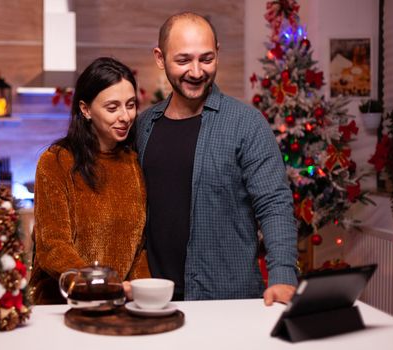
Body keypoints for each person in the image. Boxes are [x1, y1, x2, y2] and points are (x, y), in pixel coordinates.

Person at [136, 12, 297, 305]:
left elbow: (274, 204)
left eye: (206, 59)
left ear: (218, 53)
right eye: (183, 60)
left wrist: (283, 275)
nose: (196, 72)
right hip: (155, 300)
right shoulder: (143, 126)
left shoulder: (247, 124)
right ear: (160, 58)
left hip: (227, 301)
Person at [29, 57, 149, 304]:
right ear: (85, 109)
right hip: (62, 306)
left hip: (118, 306)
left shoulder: (133, 163)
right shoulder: (56, 162)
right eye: (112, 107)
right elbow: (53, 247)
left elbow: (140, 247)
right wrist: (102, 286)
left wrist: (138, 291)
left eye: (130, 105)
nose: (126, 116)